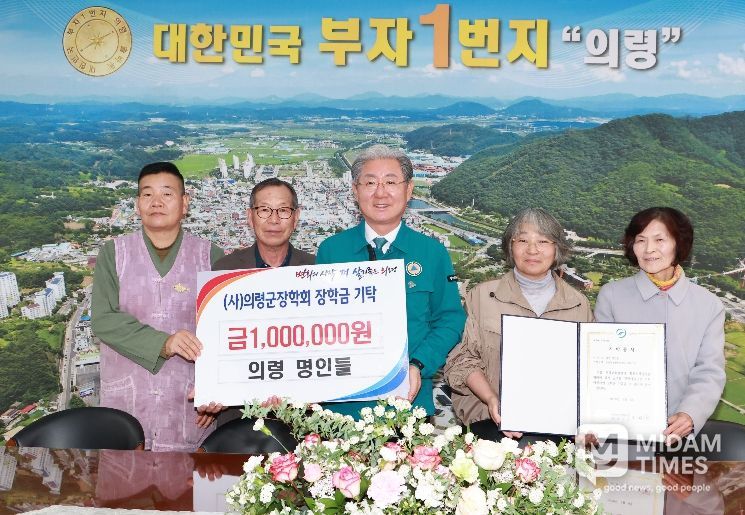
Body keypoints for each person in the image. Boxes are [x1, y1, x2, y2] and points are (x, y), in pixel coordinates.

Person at [316, 144, 466, 418]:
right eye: (370, 182)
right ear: (355, 191)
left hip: (408, 403)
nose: (381, 192)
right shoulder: (331, 251)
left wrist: (419, 364)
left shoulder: (432, 253)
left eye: (391, 182)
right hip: (342, 407)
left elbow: (450, 320)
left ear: (409, 190)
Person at [92, 162, 224, 451]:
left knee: (187, 479)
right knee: (124, 476)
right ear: (137, 204)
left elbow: (224, 330)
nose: (156, 202)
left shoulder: (210, 256)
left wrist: (216, 389)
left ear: (185, 203)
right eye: (147, 194)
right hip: (126, 401)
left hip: (187, 404)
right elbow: (103, 319)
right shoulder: (114, 254)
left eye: (167, 193)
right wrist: (165, 343)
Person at [444, 208, 593, 437]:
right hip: (490, 423)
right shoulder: (482, 296)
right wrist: (491, 399)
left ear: (557, 248)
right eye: (522, 240)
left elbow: (590, 370)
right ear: (510, 246)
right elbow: (461, 360)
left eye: (543, 241)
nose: (532, 250)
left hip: (560, 427)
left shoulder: (578, 304)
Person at [594, 207, 725, 441]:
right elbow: (599, 364)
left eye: (659, 240)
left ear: (678, 243)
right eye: (640, 240)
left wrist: (690, 413)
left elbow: (710, 370)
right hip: (620, 430)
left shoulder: (709, 305)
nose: (649, 249)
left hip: (679, 432)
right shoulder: (612, 295)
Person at [213, 177, 314, 425]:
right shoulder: (223, 271)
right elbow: (214, 341)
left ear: (296, 217)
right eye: (264, 210)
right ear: (250, 216)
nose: (274, 219)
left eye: (283, 210)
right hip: (238, 415)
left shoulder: (317, 270)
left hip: (304, 415)